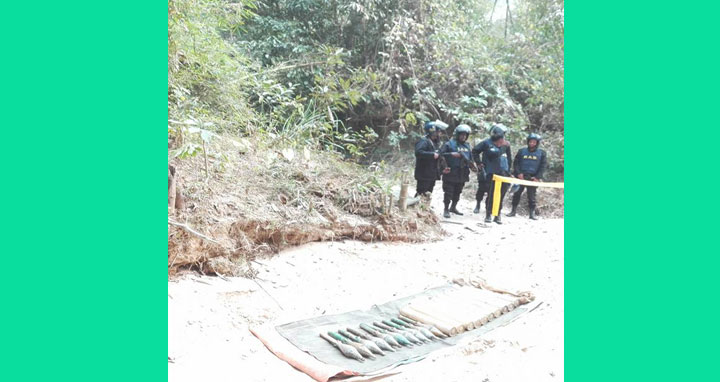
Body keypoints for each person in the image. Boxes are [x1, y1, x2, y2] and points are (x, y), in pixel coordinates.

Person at [472, 124, 513, 224]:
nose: (501, 138)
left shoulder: (506, 145)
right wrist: (479, 163)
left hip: (504, 173)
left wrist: (509, 172)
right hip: (491, 173)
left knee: (501, 195)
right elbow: (475, 151)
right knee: (491, 194)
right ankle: (488, 214)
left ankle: (497, 214)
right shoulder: (487, 143)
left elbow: (509, 158)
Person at [439, 124, 476, 218]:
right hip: (451, 172)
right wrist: (451, 154)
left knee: (458, 191)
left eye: (465, 135)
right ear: (457, 134)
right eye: (462, 134)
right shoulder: (449, 144)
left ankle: (453, 207)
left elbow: (470, 159)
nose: (463, 137)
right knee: (448, 192)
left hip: (462, 173)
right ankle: (446, 209)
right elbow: (440, 155)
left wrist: (473, 166)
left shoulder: (467, 146)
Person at [509, 133, 547, 220]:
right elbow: (516, 163)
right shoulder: (521, 151)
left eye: (534, 142)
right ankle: (513, 211)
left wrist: (537, 177)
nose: (532, 143)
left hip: (533, 178)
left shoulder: (542, 153)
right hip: (521, 176)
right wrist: (518, 173)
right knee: (516, 194)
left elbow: (543, 166)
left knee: (532, 196)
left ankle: (531, 214)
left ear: (537, 143)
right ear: (528, 142)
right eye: (530, 142)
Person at [414, 120, 448, 197]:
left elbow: (439, 156)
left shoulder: (436, 142)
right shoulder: (424, 141)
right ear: (433, 131)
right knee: (421, 192)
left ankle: (425, 206)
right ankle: (417, 207)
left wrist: (443, 168)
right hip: (424, 172)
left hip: (432, 173)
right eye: (438, 131)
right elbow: (418, 152)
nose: (440, 133)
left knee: (428, 192)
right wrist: (432, 155)